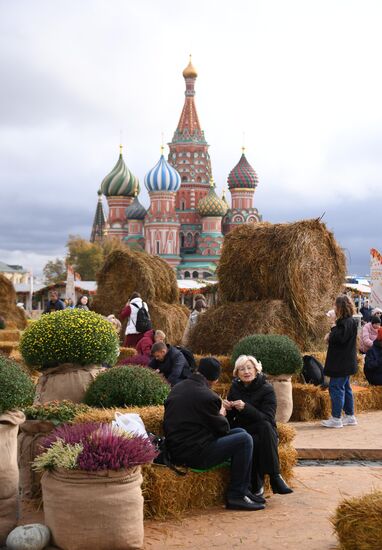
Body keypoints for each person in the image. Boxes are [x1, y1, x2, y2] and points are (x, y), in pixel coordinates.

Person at [163, 357, 265, 511]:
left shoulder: (178, 387)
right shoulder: (207, 396)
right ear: (215, 379)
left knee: (240, 432)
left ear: (198, 370)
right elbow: (222, 429)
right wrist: (221, 412)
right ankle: (236, 495)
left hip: (176, 448)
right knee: (244, 439)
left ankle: (245, 490)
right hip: (193, 454)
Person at [223, 355, 293, 496]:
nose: (246, 372)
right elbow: (230, 419)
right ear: (237, 373)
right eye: (242, 369)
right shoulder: (235, 388)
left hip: (263, 429)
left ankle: (262, 482)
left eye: (249, 368)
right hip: (244, 428)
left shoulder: (267, 389)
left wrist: (245, 407)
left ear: (256, 370)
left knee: (262, 432)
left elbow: (267, 417)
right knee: (251, 438)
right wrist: (226, 408)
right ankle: (274, 477)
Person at [321, 295, 358, 428]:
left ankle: (336, 418)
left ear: (340, 307)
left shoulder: (344, 323)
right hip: (346, 362)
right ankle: (350, 415)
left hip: (341, 363)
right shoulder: (350, 321)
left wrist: (332, 326)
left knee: (335, 388)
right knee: (346, 388)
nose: (334, 308)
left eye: (335, 305)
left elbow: (339, 338)